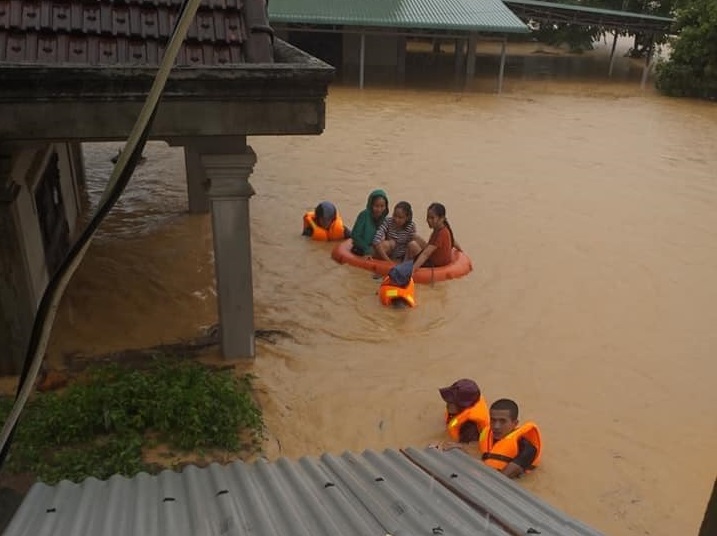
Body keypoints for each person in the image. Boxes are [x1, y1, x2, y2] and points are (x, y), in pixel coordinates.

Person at [478, 398, 542, 479]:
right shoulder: (486, 433)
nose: (496, 426)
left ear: (515, 423)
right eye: (493, 420)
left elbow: (501, 479)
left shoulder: (528, 450)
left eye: (502, 421)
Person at [411, 203, 459, 271]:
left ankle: (403, 262)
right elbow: (453, 241)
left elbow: (426, 254)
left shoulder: (441, 234)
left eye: (432, 218)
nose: (428, 220)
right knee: (415, 237)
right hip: (436, 258)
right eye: (428, 217)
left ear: (441, 219)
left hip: (435, 264)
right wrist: (461, 250)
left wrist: (412, 270)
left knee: (412, 245)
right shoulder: (444, 228)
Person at [439, 379, 489, 443]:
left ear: (464, 406)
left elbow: (471, 446)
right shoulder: (471, 400)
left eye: (452, 402)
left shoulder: (471, 428)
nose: (447, 404)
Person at [350, 189, 389, 256]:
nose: (379, 209)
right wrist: (367, 249)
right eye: (376, 206)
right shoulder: (364, 215)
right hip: (361, 247)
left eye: (382, 206)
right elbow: (355, 236)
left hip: (375, 246)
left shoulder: (384, 218)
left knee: (391, 243)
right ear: (371, 205)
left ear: (386, 206)